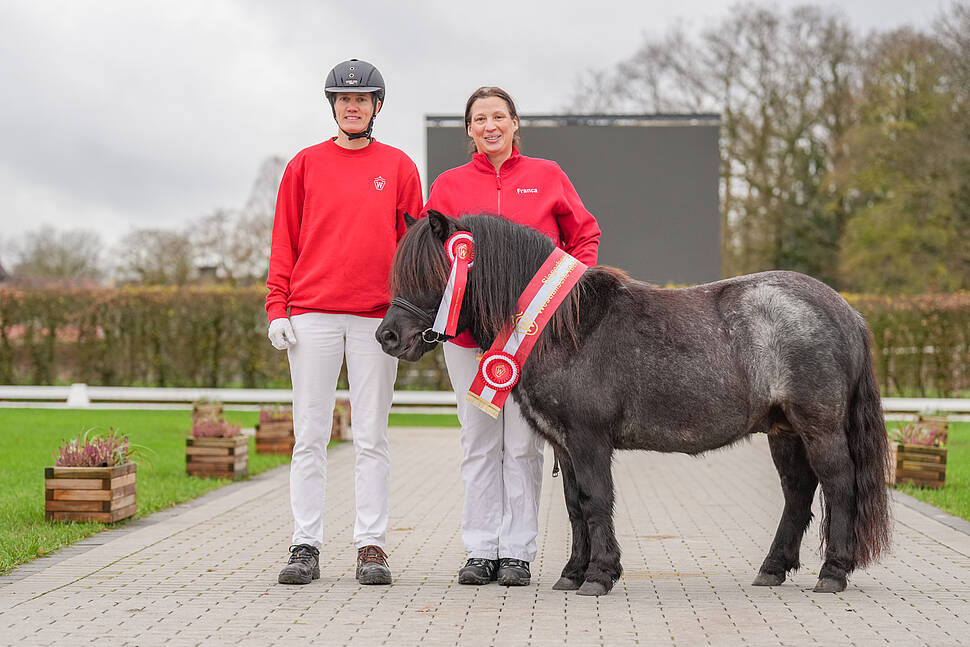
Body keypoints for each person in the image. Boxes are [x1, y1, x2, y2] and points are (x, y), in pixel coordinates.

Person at [423, 87, 601, 586]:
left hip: (533, 338)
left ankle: (518, 552)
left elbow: (584, 234)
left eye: (499, 116)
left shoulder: (548, 176)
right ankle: (481, 549)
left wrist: (570, 288)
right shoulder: (448, 186)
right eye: (479, 118)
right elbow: (431, 253)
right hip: (468, 338)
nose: (490, 126)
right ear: (470, 130)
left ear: (515, 123)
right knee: (478, 442)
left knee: (523, 446)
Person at [265, 59, 423, 586]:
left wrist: (409, 315)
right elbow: (284, 239)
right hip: (311, 316)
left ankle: (371, 545)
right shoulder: (304, 165)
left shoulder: (400, 167)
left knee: (372, 436)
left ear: (377, 106)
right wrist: (277, 306)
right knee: (309, 436)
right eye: (343, 99)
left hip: (376, 319)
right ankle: (304, 543)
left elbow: (414, 251)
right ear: (332, 105)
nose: (351, 107)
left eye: (361, 100)